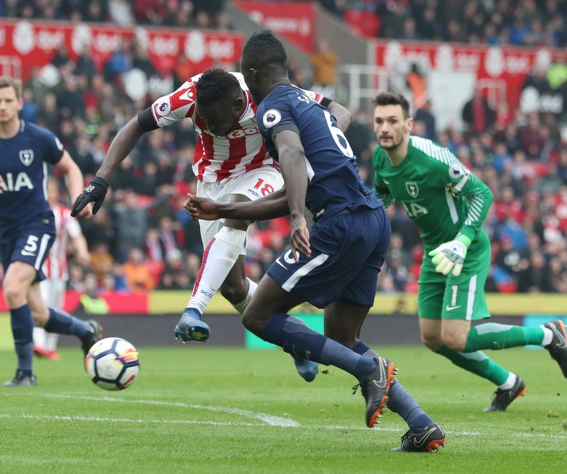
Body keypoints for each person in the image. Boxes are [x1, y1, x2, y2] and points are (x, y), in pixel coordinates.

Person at [190, 31, 444, 452]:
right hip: (371, 219)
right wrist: (224, 211)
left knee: (256, 316)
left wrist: (296, 218)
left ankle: (369, 371)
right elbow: (294, 185)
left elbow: (289, 156)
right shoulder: (311, 104)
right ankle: (420, 422)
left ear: (252, 73)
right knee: (341, 336)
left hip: (338, 223)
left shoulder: (274, 106)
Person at [71, 68, 351, 344]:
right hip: (211, 182)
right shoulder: (189, 96)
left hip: (261, 171)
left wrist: (320, 149)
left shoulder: (266, 94)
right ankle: (299, 339)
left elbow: (339, 111)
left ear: (238, 105)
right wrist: (100, 180)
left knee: (237, 215)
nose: (211, 127)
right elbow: (136, 125)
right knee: (233, 289)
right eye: (204, 119)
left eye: (216, 120)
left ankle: (193, 309)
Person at [370, 91, 567, 411]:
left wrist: (462, 240)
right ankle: (508, 382)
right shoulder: (380, 159)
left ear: (408, 124)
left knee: (456, 337)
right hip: (435, 252)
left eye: (393, 121)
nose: (385, 128)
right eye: (379, 121)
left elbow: (482, 193)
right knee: (432, 338)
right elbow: (382, 195)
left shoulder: (434, 159)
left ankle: (547, 335)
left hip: (465, 250)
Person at [0, 77, 102, 387]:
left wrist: (81, 197)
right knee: (37, 313)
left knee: (12, 289)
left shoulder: (39, 138)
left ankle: (25, 372)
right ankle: (84, 331)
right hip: (6, 232)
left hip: (37, 223)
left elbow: (71, 168)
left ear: (19, 103)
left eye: (8, 100)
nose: (2, 106)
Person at [33, 176, 92, 361]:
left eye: (50, 189)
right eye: (45, 190)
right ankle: (38, 345)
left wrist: (82, 251)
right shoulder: (33, 213)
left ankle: (50, 348)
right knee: (40, 304)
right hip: (38, 269)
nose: (48, 193)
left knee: (56, 308)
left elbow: (77, 236)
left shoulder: (65, 214)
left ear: (56, 193)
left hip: (59, 271)